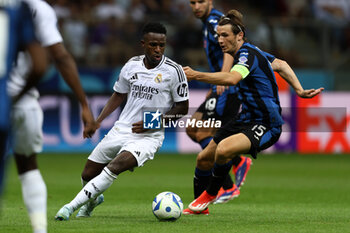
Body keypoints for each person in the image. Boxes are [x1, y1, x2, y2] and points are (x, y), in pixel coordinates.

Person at [184, 9, 324, 213]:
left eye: (225, 35)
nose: (220, 40)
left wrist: (196, 75)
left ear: (239, 35)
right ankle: (200, 207)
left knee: (223, 150)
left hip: (266, 124)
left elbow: (232, 79)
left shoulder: (246, 55)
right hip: (245, 118)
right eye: (218, 36)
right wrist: (299, 89)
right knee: (203, 158)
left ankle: (211, 195)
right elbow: (282, 65)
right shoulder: (253, 51)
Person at [54, 22, 189, 221]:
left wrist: (151, 123)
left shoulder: (174, 71)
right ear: (143, 44)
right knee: (88, 173)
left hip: (148, 136)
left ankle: (69, 207)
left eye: (162, 45)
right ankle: (93, 200)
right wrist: (97, 121)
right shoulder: (131, 65)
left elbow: (182, 108)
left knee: (113, 168)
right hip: (122, 129)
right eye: (153, 45)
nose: (158, 49)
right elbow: (118, 95)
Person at [7, 0, 96, 232]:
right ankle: (40, 229)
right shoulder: (37, 8)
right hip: (23, 102)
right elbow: (57, 58)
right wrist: (84, 104)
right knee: (28, 166)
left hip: (4, 98)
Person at [183, 0, 251, 215]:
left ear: (209, 2)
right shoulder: (207, 22)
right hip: (219, 86)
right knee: (193, 128)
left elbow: (229, 49)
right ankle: (238, 161)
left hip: (229, 87)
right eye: (192, 2)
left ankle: (229, 183)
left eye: (200, 2)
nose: (196, 6)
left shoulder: (215, 21)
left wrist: (223, 78)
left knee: (203, 130)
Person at [0, 0, 47, 199]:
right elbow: (42, 64)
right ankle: (39, 228)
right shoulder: (23, 9)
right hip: (12, 104)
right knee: (28, 166)